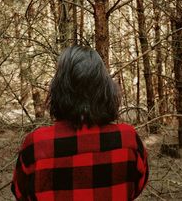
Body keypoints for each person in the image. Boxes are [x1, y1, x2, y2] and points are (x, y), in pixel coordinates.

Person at [11, 45, 148, 200]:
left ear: (58, 88)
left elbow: (20, 193)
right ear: (105, 87)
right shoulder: (128, 140)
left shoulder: (36, 144)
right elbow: (137, 186)